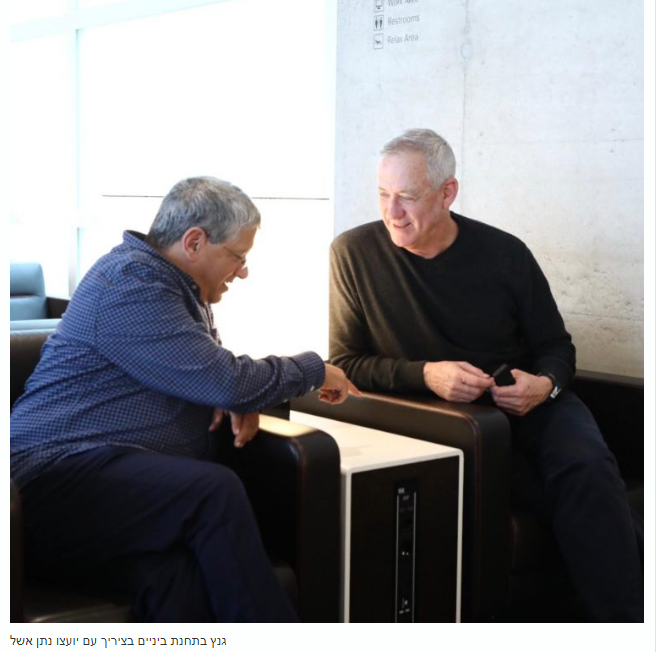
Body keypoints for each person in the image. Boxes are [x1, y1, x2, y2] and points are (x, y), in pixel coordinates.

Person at [10, 176, 359, 623]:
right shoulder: (131, 282)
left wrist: (229, 394)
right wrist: (314, 369)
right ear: (194, 241)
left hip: (103, 492)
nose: (243, 271)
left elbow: (210, 376)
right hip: (45, 485)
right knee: (211, 491)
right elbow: (227, 381)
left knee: (175, 577)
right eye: (238, 256)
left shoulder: (175, 289)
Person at [329, 129, 643, 622]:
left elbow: (555, 347)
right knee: (556, 497)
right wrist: (425, 375)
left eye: (407, 196)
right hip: (447, 419)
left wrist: (546, 385)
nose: (393, 212)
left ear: (447, 192)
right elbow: (345, 362)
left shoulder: (505, 253)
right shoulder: (353, 253)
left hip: (533, 403)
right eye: (383, 194)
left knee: (588, 469)